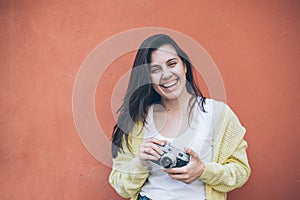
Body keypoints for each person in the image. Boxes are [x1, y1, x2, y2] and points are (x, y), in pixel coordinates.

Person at [109, 34, 250, 200]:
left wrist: (203, 171)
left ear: (184, 66)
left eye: (172, 64)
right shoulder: (137, 119)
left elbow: (240, 171)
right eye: (155, 70)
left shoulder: (218, 114)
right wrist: (141, 163)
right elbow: (121, 186)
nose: (166, 75)